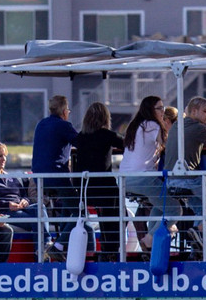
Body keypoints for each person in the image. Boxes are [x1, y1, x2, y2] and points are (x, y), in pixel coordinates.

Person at [72, 101, 125, 259]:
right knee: (117, 217)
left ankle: (105, 249)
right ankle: (112, 250)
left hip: (85, 189)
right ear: (105, 118)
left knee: (104, 218)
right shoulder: (107, 135)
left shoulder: (81, 137)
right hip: (105, 187)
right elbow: (127, 144)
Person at [31, 94, 78, 260]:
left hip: (39, 178)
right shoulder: (64, 125)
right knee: (80, 211)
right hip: (57, 176)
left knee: (68, 208)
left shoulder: (41, 124)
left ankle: (63, 245)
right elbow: (82, 143)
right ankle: (59, 246)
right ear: (65, 111)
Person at [120, 95, 168, 251]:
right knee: (174, 207)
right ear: (150, 110)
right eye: (160, 108)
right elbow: (167, 144)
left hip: (124, 180)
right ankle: (150, 239)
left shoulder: (135, 126)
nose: (163, 111)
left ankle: (148, 241)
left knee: (156, 202)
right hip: (143, 178)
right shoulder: (153, 126)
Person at [164, 96, 206, 241]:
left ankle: (197, 241)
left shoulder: (176, 125)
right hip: (187, 180)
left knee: (200, 208)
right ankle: (200, 232)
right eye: (205, 111)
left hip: (171, 181)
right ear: (194, 111)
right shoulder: (199, 128)